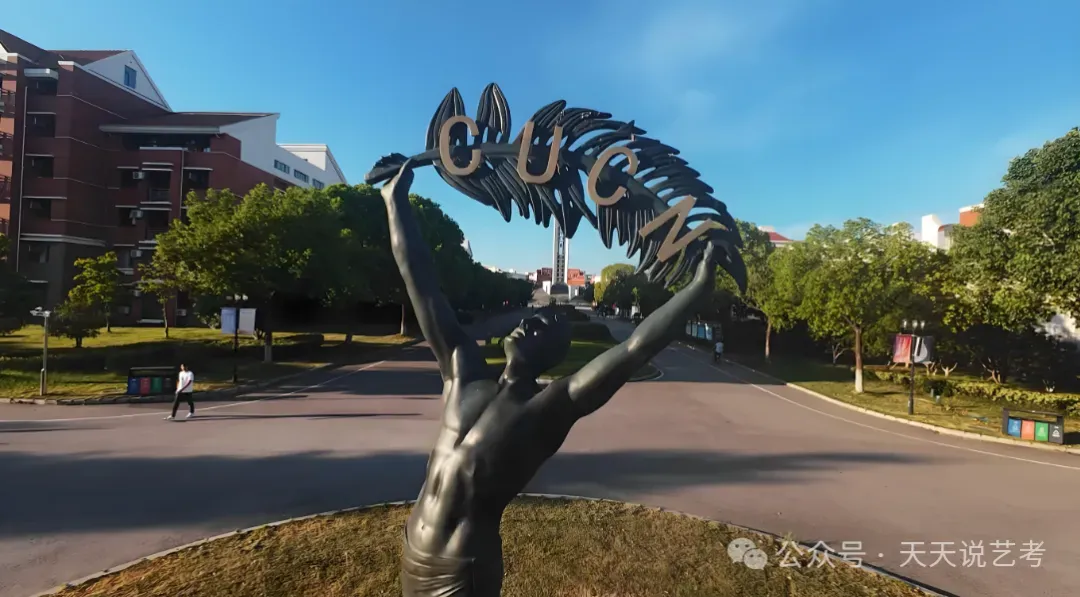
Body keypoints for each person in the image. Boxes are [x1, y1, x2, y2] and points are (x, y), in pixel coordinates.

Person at [381, 160, 719, 597]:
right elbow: (422, 283)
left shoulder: (547, 409)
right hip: (414, 551)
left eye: (542, 328)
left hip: (460, 571)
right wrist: (396, 203)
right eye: (531, 320)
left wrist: (697, 288)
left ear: (551, 354)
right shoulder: (463, 372)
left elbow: (635, 349)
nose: (528, 325)